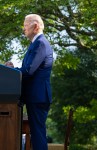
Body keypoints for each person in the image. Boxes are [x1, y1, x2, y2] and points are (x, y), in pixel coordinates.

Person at [6, 14, 53, 150]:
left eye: (26, 25)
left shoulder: (40, 44)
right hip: (35, 96)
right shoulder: (36, 43)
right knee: (37, 134)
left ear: (35, 26)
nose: (24, 29)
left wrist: (13, 71)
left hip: (38, 97)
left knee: (38, 135)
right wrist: (13, 70)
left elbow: (29, 70)